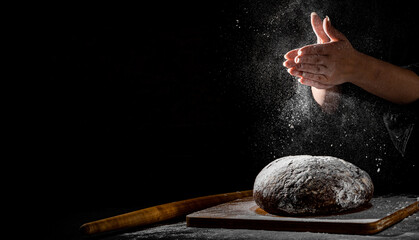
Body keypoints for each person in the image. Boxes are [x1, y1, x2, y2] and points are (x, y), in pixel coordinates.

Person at [283, 12, 419, 113]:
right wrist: (322, 77)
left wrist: (355, 67)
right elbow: (328, 105)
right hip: (348, 136)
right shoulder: (333, 8)